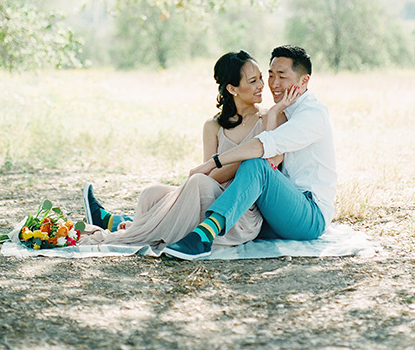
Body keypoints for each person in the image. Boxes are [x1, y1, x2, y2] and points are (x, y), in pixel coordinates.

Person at [78, 50, 286, 252]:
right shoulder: (213, 126)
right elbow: (212, 178)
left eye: (260, 78)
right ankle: (124, 225)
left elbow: (272, 160)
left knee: (197, 182)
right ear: (232, 89)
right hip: (211, 195)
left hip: (239, 212)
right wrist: (221, 167)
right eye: (253, 81)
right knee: (152, 194)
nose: (261, 86)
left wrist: (227, 162)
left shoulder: (270, 117)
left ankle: (124, 228)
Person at [163, 45, 337, 260]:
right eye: (271, 75)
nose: (273, 84)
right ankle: (132, 224)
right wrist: (274, 111)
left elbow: (263, 147)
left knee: (256, 165)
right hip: (274, 209)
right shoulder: (284, 110)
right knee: (187, 202)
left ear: (304, 81)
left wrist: (212, 162)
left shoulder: (311, 115)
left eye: (282, 76)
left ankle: (204, 237)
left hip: (309, 214)